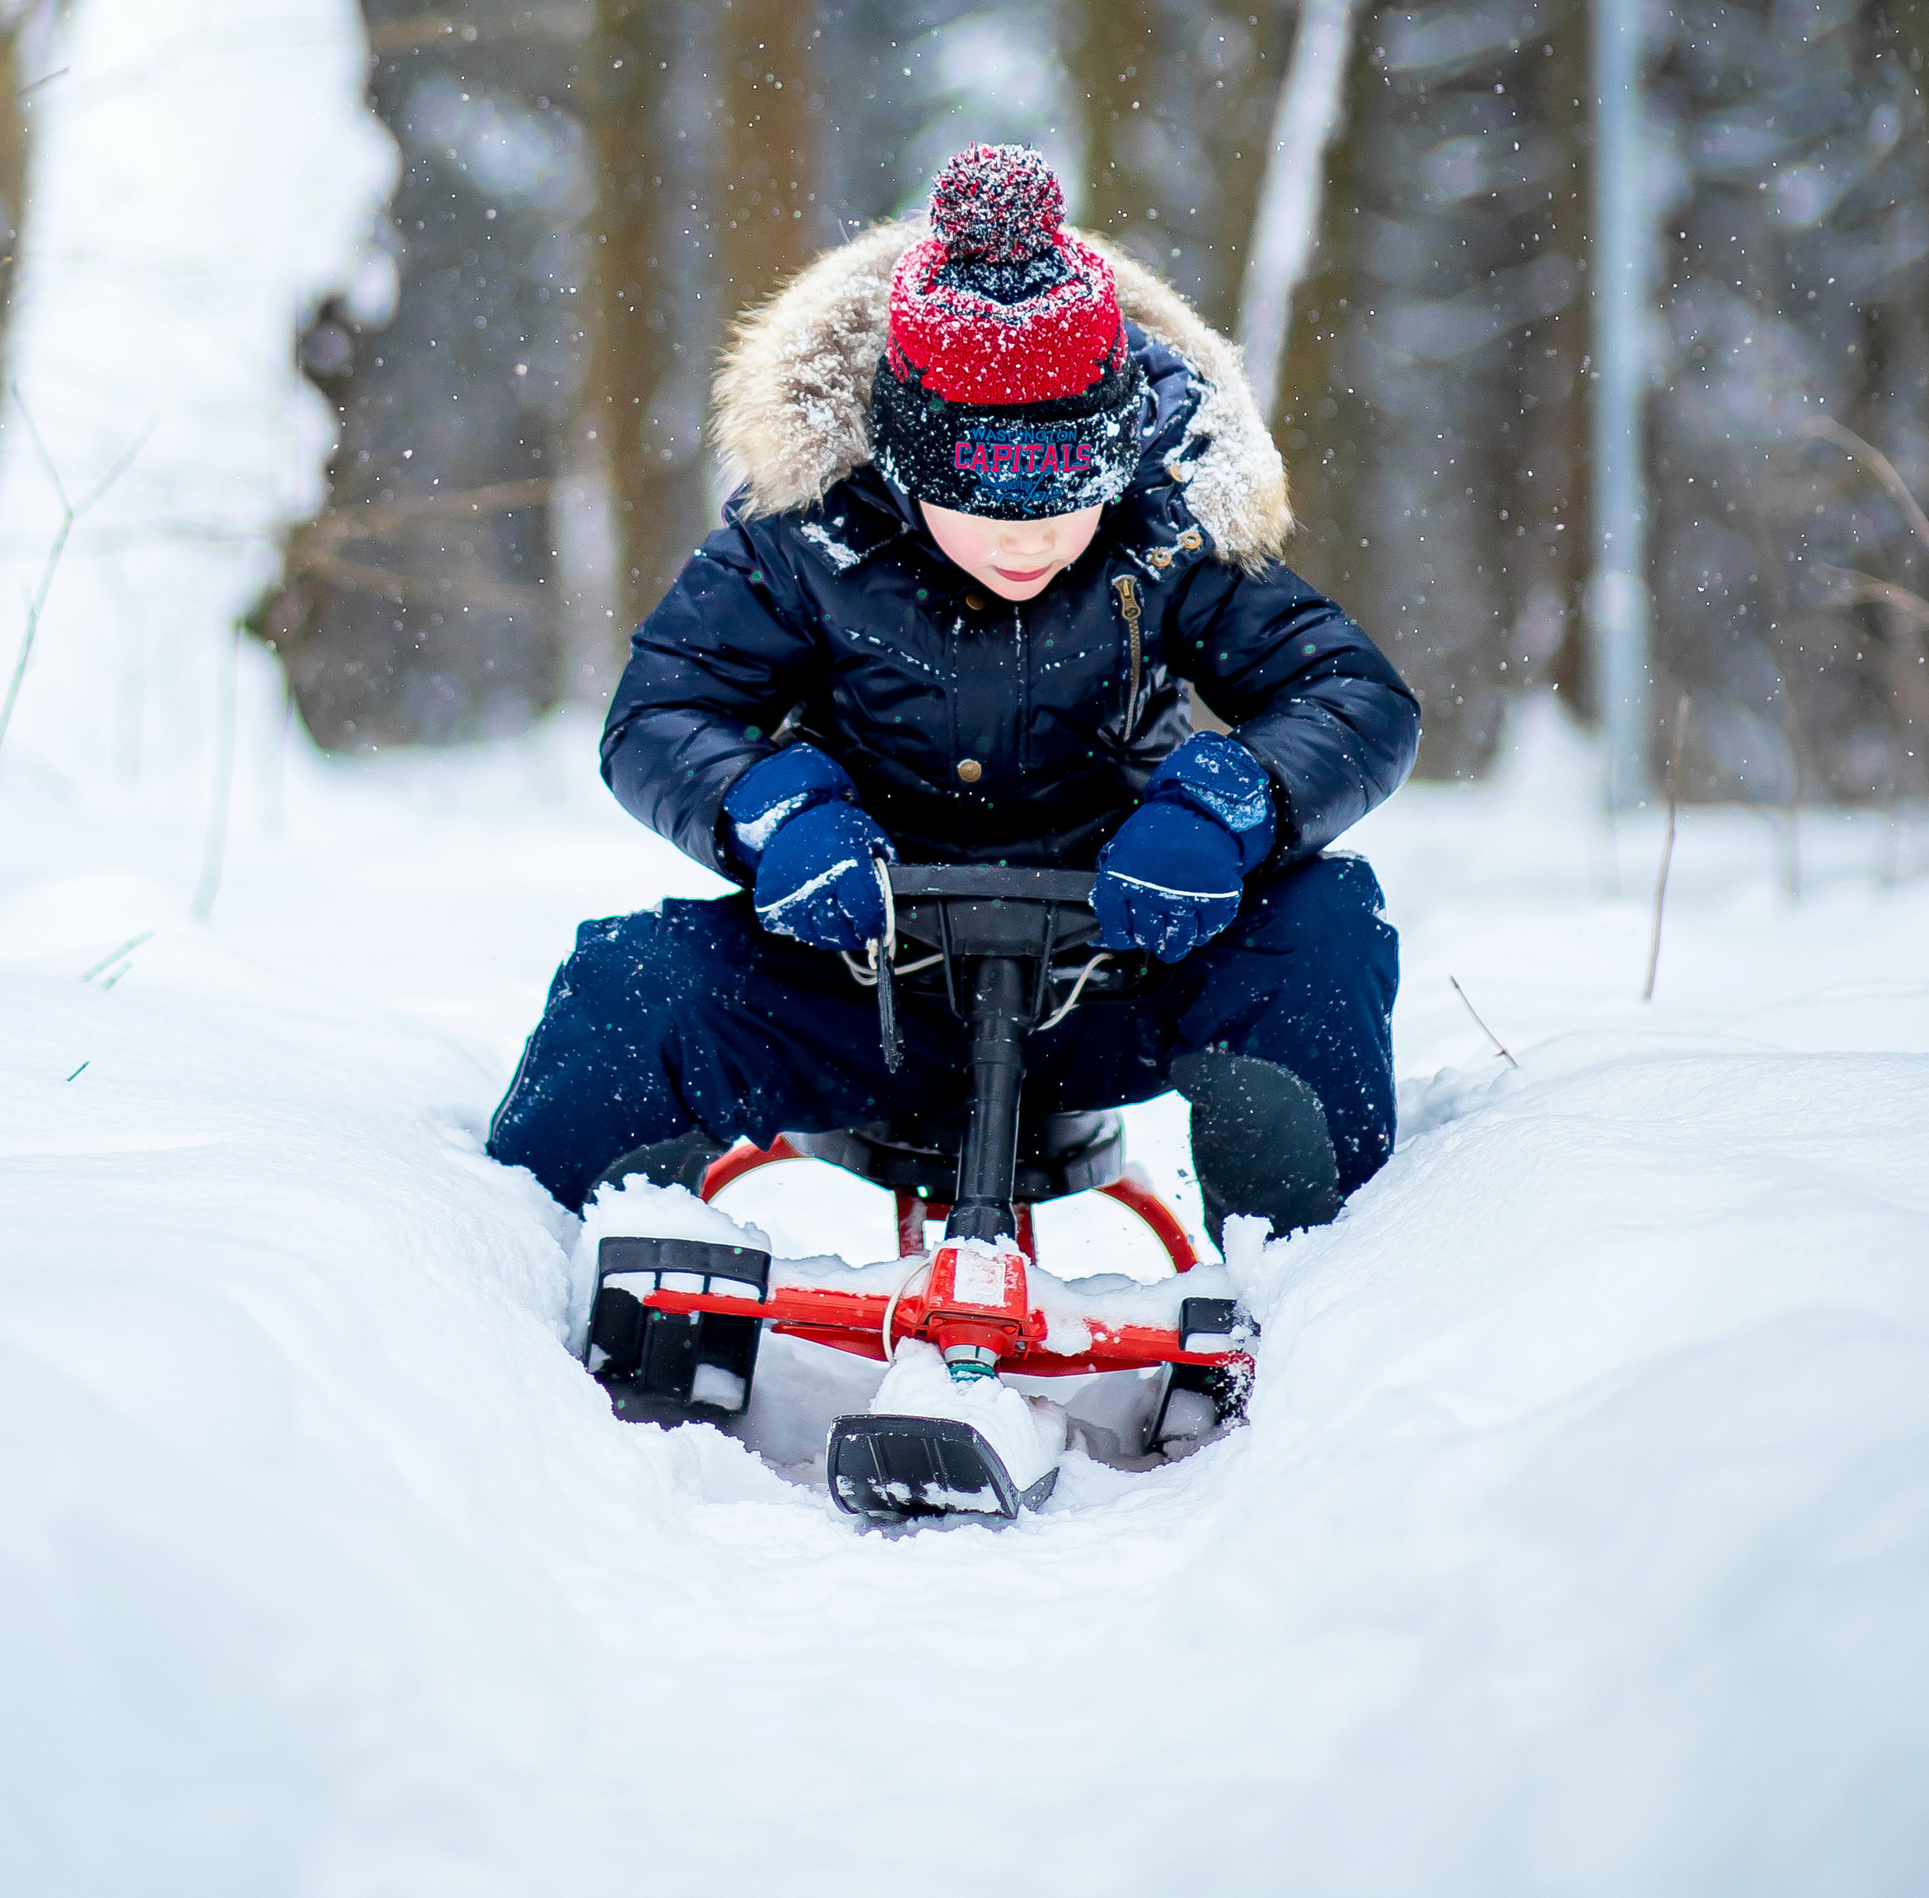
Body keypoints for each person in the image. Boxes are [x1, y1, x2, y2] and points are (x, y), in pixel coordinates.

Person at [489, 142, 1419, 1240]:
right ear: (902, 453)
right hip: (859, 971)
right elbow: (662, 712)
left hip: (1115, 966)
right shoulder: (807, 534)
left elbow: (1350, 694)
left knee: (1320, 931)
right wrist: (769, 812)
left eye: (1066, 489)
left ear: (1118, 451)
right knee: (631, 987)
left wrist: (1230, 801)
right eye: (976, 492)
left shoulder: (1169, 528)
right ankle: (535, 1292)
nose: (1024, 534)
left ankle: (1318, 1288)